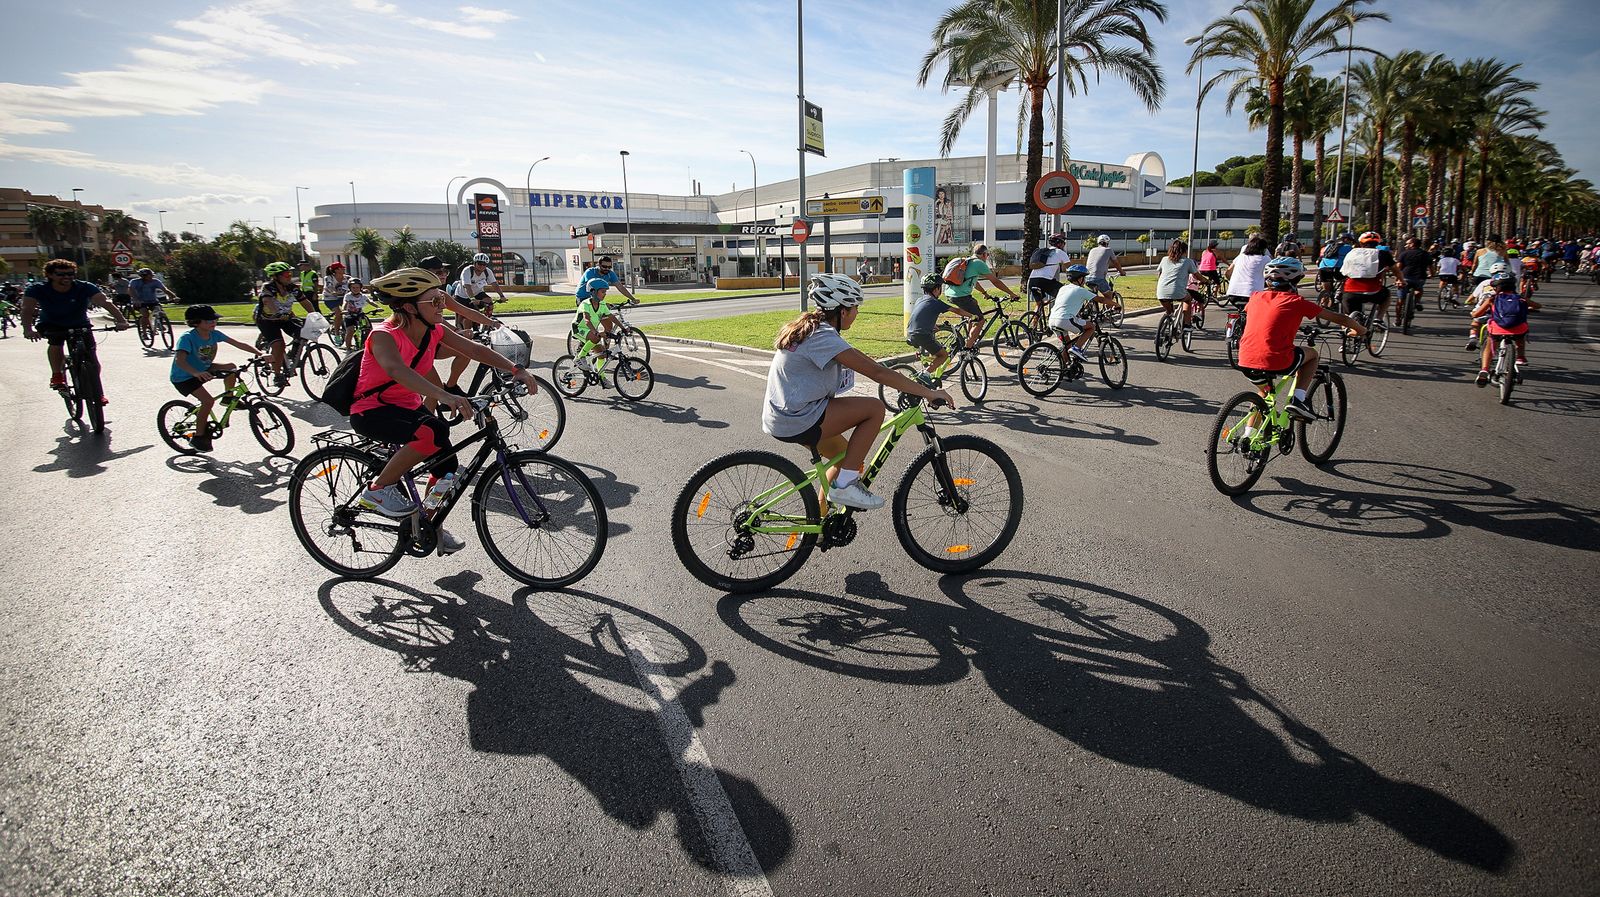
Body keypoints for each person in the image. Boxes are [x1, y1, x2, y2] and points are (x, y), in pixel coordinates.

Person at [351, 268, 542, 545]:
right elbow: (397, 370)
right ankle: (379, 489)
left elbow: (474, 350)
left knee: (447, 468)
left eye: (442, 299)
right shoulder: (383, 335)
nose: (444, 306)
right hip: (372, 410)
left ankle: (427, 526)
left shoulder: (434, 331)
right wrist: (446, 395)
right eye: (436, 302)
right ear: (408, 307)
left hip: (407, 407)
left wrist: (515, 369)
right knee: (431, 432)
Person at [763, 273, 953, 511]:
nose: (857, 313)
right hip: (797, 418)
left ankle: (820, 521)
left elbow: (867, 362)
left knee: (845, 458)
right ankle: (845, 487)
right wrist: (928, 392)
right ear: (842, 311)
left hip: (785, 414)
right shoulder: (822, 337)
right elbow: (878, 373)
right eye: (854, 307)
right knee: (874, 408)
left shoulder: (814, 330)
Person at [1234, 257, 1365, 421]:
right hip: (1277, 360)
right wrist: (1361, 330)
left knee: (1264, 393)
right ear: (1296, 280)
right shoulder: (1297, 302)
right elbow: (1342, 319)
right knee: (1313, 355)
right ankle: (1299, 399)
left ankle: (1248, 435)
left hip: (1245, 359)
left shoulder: (1255, 297)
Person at [21, 258, 130, 395]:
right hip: (52, 324)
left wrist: (121, 320)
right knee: (56, 344)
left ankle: (96, 393)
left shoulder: (84, 287)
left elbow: (104, 302)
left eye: (70, 274)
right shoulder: (37, 289)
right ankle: (57, 375)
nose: (67, 277)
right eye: (61, 274)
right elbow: (27, 309)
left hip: (80, 324)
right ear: (49, 275)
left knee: (92, 360)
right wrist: (27, 329)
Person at [169, 304, 263, 452]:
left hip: (204, 369)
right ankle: (199, 437)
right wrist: (196, 373)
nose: (213, 323)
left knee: (231, 367)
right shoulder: (187, 338)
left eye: (214, 320)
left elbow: (238, 344)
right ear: (195, 322)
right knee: (207, 401)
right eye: (208, 321)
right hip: (184, 376)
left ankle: (229, 398)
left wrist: (261, 354)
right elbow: (180, 361)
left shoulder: (215, 334)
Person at [413, 255, 501, 393]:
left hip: (432, 344)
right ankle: (432, 409)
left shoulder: (440, 293)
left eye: (444, 272)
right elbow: (434, 320)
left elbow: (466, 312)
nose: (443, 275)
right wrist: (457, 331)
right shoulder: (418, 296)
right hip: (417, 348)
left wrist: (493, 323)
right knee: (435, 390)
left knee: (465, 351)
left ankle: (451, 386)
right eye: (438, 272)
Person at [941, 243, 1020, 351]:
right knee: (980, 320)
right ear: (983, 254)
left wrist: (985, 293)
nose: (987, 257)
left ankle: (968, 338)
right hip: (961, 296)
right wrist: (1012, 294)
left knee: (974, 305)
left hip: (951, 294)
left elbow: (974, 282)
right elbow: (995, 281)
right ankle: (967, 349)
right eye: (987, 255)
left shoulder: (969, 262)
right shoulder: (979, 263)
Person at [1470, 270, 1540, 385]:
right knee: (1521, 334)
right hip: (1518, 330)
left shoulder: (1492, 299)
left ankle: (1484, 370)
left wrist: (1474, 314)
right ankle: (1520, 357)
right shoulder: (1521, 299)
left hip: (1498, 329)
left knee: (1489, 343)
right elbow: (1538, 306)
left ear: (1496, 287)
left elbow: (1476, 314)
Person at [256, 261, 315, 386]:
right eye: (286, 274)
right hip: (267, 320)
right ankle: (277, 375)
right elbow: (267, 301)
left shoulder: (292, 287)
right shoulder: (269, 287)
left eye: (290, 274)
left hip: (285, 318)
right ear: (276, 276)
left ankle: (292, 355)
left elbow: (305, 302)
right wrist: (277, 313)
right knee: (279, 344)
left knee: (303, 332)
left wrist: (315, 315)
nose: (289, 276)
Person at [1339, 231, 1399, 324]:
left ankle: (1349, 330)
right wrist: (1401, 280)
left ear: (1361, 243)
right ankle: (1378, 319)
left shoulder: (1352, 253)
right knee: (1387, 294)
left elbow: (1344, 271)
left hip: (1350, 292)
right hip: (1373, 291)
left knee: (1350, 318)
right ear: (1377, 243)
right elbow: (1395, 269)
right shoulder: (1383, 253)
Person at [1046, 265, 1102, 363]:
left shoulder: (1063, 288)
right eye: (1084, 278)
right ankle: (1077, 348)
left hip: (1052, 320)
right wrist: (1116, 304)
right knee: (1091, 327)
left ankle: (1064, 368)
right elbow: (1100, 299)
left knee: (1067, 345)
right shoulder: (1080, 290)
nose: (1084, 281)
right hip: (1064, 320)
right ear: (1080, 278)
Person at [904, 273, 953, 375]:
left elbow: (921, 315)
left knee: (932, 345)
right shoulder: (936, 302)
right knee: (943, 355)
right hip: (921, 334)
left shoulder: (920, 300)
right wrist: (972, 316)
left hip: (911, 331)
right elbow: (957, 310)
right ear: (936, 289)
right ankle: (925, 374)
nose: (941, 290)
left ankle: (928, 370)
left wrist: (932, 325)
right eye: (940, 288)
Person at [572, 278, 625, 373]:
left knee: (602, 354)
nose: (605, 294)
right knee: (596, 338)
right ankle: (579, 357)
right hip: (579, 329)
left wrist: (623, 328)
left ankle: (602, 377)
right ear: (593, 291)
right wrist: (595, 332)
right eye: (603, 291)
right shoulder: (585, 304)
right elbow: (587, 320)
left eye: (605, 292)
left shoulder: (602, 304)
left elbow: (611, 317)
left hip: (590, 330)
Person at [1155, 239, 1200, 330]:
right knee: (1187, 299)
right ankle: (1187, 324)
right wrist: (1206, 281)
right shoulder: (1187, 261)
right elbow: (1197, 275)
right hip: (1178, 292)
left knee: (1170, 312)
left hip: (1161, 292)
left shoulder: (1164, 259)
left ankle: (1163, 330)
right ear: (1184, 251)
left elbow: (1160, 275)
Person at [1025, 233, 1072, 318]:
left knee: (1039, 305)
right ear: (1059, 243)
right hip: (1044, 280)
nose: (1064, 244)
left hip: (1032, 280)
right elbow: (1071, 269)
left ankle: (1032, 328)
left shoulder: (1044, 252)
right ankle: (1054, 317)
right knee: (1065, 294)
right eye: (1063, 242)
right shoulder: (1060, 252)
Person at [453, 253, 506, 325]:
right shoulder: (467, 271)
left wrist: (502, 296)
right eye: (480, 264)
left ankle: (486, 322)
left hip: (477, 293)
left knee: (489, 302)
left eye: (484, 264)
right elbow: (467, 286)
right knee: (465, 316)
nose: (482, 266)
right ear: (474, 263)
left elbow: (494, 284)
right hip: (462, 295)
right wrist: (472, 299)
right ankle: (461, 329)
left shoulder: (487, 271)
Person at [1222, 235, 1270, 313]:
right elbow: (1271, 274)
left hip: (1232, 294)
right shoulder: (1266, 259)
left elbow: (1228, 273)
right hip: (1252, 295)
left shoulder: (1240, 257)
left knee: (1243, 313)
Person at [127, 267, 179, 334]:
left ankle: (160, 323)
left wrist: (174, 297)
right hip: (140, 302)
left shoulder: (155, 281)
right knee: (145, 314)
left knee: (160, 312)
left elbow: (165, 290)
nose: (151, 277)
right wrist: (136, 299)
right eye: (149, 275)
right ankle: (144, 332)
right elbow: (130, 290)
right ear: (143, 276)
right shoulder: (135, 282)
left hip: (153, 301)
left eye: (152, 275)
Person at [1396, 237, 1433, 328]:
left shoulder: (1404, 254)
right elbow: (1431, 267)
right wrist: (1432, 274)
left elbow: (1398, 267)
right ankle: (1417, 301)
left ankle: (1397, 319)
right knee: (1419, 289)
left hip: (1405, 277)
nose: (1406, 245)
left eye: (1408, 243)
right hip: (1420, 277)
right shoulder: (1426, 254)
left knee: (1400, 300)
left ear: (1412, 244)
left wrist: (1397, 278)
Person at [1084, 234, 1127, 301]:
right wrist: (1121, 272)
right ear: (1107, 243)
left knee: (1094, 295)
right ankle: (1108, 310)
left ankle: (1093, 308)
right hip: (1098, 278)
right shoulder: (1108, 250)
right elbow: (1116, 263)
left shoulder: (1092, 250)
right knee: (1109, 297)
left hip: (1086, 278)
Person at [323, 262, 351, 336]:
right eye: (341, 268)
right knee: (338, 313)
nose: (343, 269)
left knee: (352, 311)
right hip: (330, 299)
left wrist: (362, 289)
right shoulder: (329, 277)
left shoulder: (347, 278)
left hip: (343, 298)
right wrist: (333, 292)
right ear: (336, 270)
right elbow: (328, 287)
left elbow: (354, 284)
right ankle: (337, 333)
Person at [341, 278, 370, 349]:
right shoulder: (348, 296)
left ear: (360, 288)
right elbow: (345, 303)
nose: (355, 289)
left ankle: (365, 342)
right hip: (349, 315)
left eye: (357, 287)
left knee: (367, 327)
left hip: (359, 314)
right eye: (353, 287)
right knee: (350, 331)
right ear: (350, 288)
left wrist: (378, 307)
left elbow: (370, 302)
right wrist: (344, 310)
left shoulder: (363, 296)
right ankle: (348, 347)